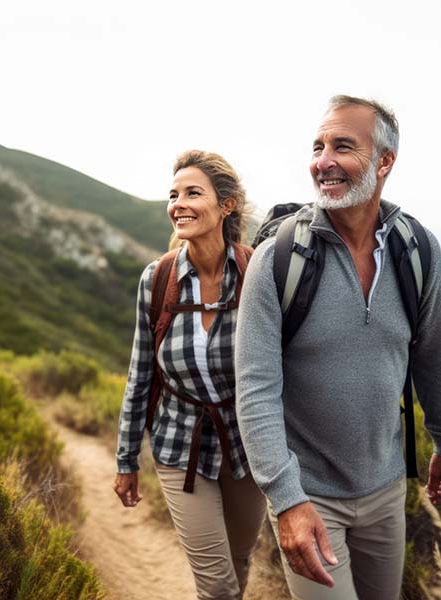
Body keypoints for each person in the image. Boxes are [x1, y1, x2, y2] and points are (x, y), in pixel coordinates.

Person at [235, 95, 441, 600]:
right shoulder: (277, 259)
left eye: (342, 146)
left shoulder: (418, 249)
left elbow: (435, 357)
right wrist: (287, 500)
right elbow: (255, 391)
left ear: (384, 161)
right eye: (317, 147)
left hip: (386, 489)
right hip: (309, 494)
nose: (323, 161)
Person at [113, 150, 266, 600]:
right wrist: (126, 460)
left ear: (227, 205)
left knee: (239, 560)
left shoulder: (258, 273)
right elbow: (140, 373)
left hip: (247, 445)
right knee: (217, 586)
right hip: (180, 445)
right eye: (173, 194)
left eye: (192, 193)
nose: (178, 202)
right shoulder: (157, 279)